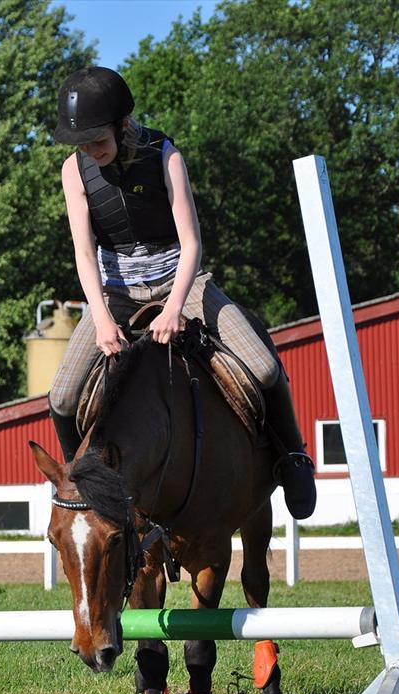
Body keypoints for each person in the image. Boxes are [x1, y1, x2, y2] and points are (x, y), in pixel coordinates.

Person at [48, 66, 316, 520]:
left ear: (123, 124)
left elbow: (191, 242)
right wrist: (101, 317)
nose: (91, 152)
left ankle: (293, 459)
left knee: (265, 366)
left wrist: (173, 309)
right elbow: (84, 254)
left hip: (182, 282)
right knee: (61, 397)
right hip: (114, 291)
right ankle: (82, 480)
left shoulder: (165, 154)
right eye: (82, 144)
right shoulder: (73, 171)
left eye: (98, 141)